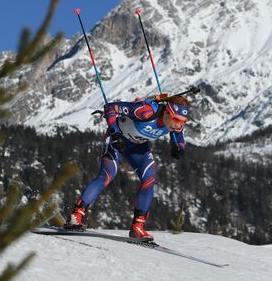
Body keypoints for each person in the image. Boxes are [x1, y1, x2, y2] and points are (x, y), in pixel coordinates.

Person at [64, 95, 190, 239]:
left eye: (182, 122)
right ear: (167, 112)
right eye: (175, 119)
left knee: (149, 178)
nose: (177, 125)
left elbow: (179, 138)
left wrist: (179, 147)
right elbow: (110, 107)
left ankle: (138, 227)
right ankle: (76, 215)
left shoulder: (175, 124)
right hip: (117, 140)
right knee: (107, 174)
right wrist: (115, 133)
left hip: (138, 147)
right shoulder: (146, 111)